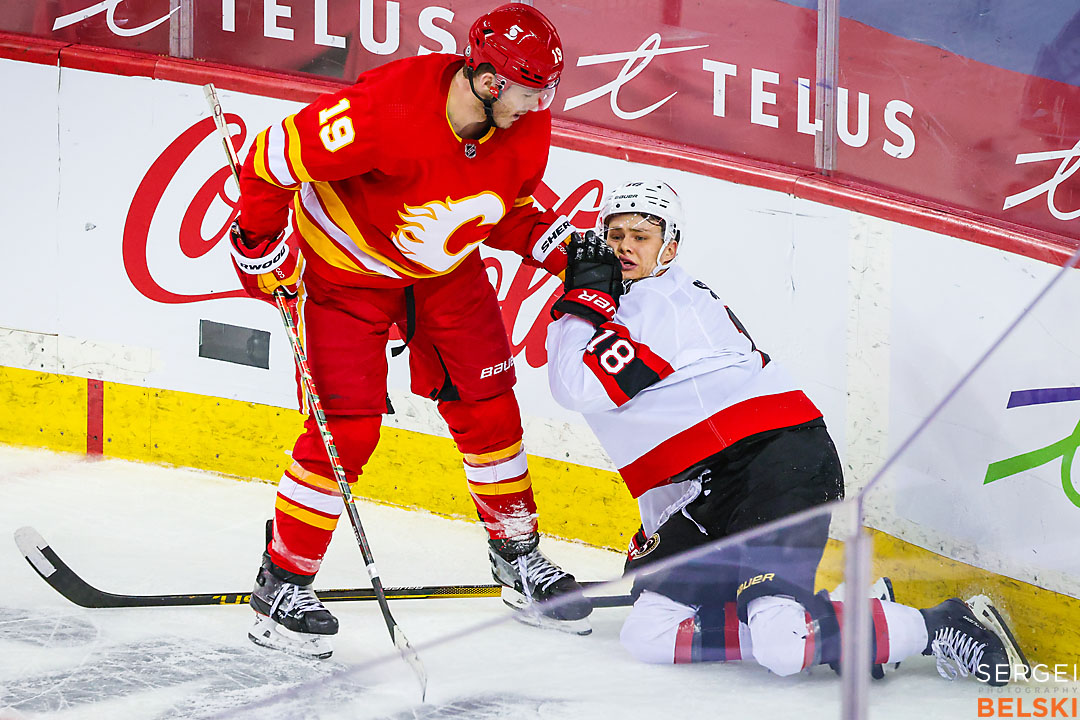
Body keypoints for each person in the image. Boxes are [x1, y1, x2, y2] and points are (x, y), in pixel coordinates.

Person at [545, 179, 1026, 684]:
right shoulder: (620, 305)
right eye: (615, 233)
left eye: (641, 236)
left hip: (777, 466)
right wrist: (661, 536)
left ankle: (937, 626)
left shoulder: (661, 303)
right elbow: (665, 428)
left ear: (671, 246)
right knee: (650, 631)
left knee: (782, 647)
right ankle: (855, 620)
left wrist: (581, 297)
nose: (624, 246)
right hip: (713, 488)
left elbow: (573, 386)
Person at [229, 3, 592, 658]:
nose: (541, 104)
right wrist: (258, 244)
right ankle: (281, 586)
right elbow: (266, 160)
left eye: (547, 90)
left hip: (444, 272)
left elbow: (507, 214)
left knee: (490, 411)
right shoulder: (382, 111)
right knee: (346, 429)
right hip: (344, 275)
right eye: (531, 90)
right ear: (488, 82)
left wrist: (575, 253)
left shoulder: (525, 128)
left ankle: (517, 560)